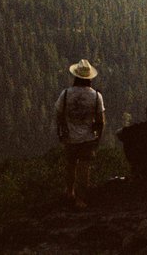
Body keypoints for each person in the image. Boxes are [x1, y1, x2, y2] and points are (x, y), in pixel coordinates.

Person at [55, 58, 105, 208]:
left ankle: (70, 192)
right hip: (88, 139)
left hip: (70, 137)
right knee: (84, 169)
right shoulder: (96, 96)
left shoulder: (65, 94)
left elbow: (58, 114)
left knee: (70, 165)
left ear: (76, 76)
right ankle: (80, 199)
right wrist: (98, 138)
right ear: (89, 78)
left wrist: (62, 131)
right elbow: (100, 120)